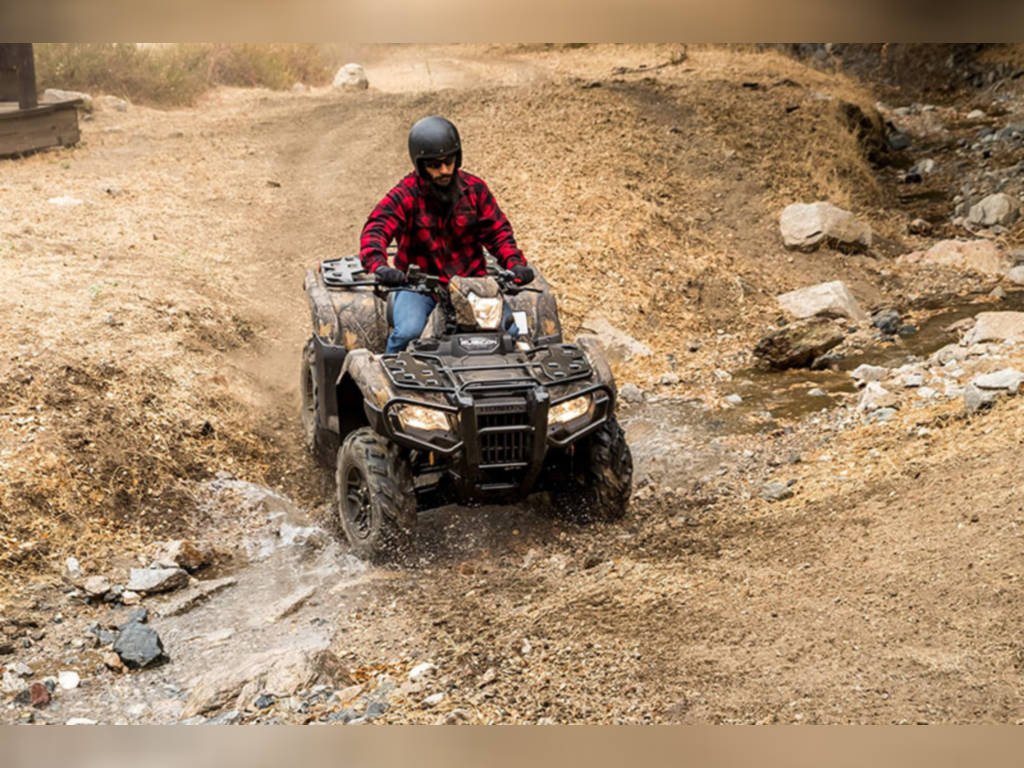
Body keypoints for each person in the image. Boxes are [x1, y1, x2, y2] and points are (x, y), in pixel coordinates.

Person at [360, 115, 534, 353]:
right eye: (434, 165)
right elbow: (376, 228)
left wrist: (515, 264)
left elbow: (498, 233)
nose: (444, 170)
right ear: (421, 166)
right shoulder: (406, 194)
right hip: (419, 287)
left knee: (511, 333)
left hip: (472, 284)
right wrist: (379, 266)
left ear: (457, 158)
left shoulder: (475, 190)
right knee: (408, 332)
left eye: (448, 162)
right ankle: (389, 373)